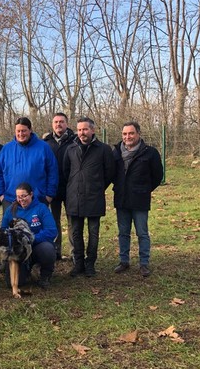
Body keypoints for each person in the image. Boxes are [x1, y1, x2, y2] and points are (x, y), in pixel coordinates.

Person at [64, 117, 115, 277]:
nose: (81, 133)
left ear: (92, 130)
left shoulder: (104, 149)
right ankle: (78, 264)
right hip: (74, 197)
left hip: (94, 197)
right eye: (79, 130)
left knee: (93, 232)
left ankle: (90, 263)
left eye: (85, 129)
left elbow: (110, 172)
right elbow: (66, 171)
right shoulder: (70, 148)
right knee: (76, 232)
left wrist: (97, 186)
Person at [112, 121, 163, 277]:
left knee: (142, 233)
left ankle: (144, 263)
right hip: (121, 198)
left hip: (140, 199)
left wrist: (144, 189)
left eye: (131, 133)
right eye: (125, 134)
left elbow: (157, 176)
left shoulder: (150, 153)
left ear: (138, 134)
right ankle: (124, 261)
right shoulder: (115, 152)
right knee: (123, 232)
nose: (128, 136)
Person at [1, 182, 57, 289]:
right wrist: (14, 241)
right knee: (14, 283)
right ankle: (25, 270)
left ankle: (45, 275)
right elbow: (3, 230)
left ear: (31, 194)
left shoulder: (41, 208)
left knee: (48, 249)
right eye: (18, 197)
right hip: (19, 249)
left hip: (37, 246)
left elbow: (51, 230)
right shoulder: (11, 210)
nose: (21, 199)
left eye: (24, 196)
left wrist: (31, 238)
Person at [0, 117, 58, 212]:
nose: (20, 134)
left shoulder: (43, 148)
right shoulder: (6, 149)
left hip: (37, 200)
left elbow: (52, 172)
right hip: (10, 200)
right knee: (12, 227)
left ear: (30, 130)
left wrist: (49, 196)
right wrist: (1, 196)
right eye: (18, 131)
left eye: (24, 131)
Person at [44, 113, 76, 260]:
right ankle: (56, 251)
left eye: (61, 122)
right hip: (53, 189)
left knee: (72, 222)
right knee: (54, 221)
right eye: (56, 122)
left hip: (71, 188)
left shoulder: (75, 141)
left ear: (67, 124)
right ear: (52, 124)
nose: (58, 124)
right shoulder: (46, 142)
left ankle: (74, 252)